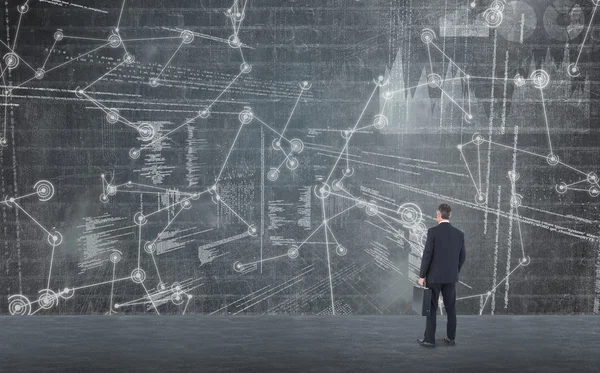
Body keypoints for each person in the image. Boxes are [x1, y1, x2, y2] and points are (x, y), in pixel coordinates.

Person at [417, 203, 466, 348]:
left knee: (431, 309)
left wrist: (422, 275)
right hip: (451, 277)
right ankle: (451, 338)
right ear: (450, 215)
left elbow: (427, 255)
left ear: (438, 215)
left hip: (433, 278)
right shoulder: (459, 234)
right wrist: (454, 270)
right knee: (451, 308)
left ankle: (429, 340)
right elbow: (462, 257)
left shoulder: (432, 232)